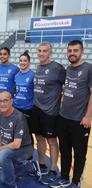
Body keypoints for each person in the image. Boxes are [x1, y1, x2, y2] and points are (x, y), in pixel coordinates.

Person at [50, 40, 92, 188]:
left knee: (79, 154)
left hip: (79, 120)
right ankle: (64, 177)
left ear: (82, 52)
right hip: (63, 117)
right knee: (65, 150)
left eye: (75, 50)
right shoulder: (68, 69)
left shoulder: (88, 68)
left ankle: (75, 182)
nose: (72, 53)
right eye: (70, 50)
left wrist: (88, 116)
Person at [31, 42, 66, 184]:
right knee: (39, 138)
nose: (41, 53)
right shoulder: (38, 67)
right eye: (39, 50)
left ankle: (52, 169)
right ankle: (42, 165)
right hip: (36, 109)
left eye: (45, 51)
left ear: (50, 52)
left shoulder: (57, 68)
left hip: (50, 112)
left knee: (51, 141)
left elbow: (68, 87)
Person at [0, 91, 33, 188]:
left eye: (5, 101)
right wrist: (0, 146)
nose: (2, 104)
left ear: (11, 101)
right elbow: (1, 133)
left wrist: (0, 149)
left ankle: (11, 184)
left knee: (3, 155)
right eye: (0, 101)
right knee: (2, 177)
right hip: (10, 148)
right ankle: (22, 165)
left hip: (24, 148)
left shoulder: (19, 117)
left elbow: (16, 144)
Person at [0, 47, 19, 145]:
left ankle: (7, 147)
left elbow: (17, 85)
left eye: (5, 54)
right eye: (1, 54)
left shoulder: (15, 69)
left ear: (9, 55)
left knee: (7, 127)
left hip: (7, 102)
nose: (2, 56)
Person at [13, 51, 35, 147]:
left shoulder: (33, 75)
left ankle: (29, 156)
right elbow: (15, 90)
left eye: (25, 61)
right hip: (16, 107)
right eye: (21, 60)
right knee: (17, 132)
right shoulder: (16, 75)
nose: (22, 62)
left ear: (29, 62)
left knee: (27, 132)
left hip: (27, 108)